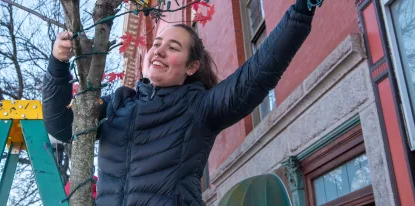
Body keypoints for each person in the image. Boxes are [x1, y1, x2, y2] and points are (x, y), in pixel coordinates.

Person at [43, 0, 320, 205]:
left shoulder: (199, 107)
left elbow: (255, 76)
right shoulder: (117, 104)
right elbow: (62, 127)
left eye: (173, 48)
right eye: (157, 43)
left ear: (191, 67)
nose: (159, 50)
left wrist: (301, 10)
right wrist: (57, 63)